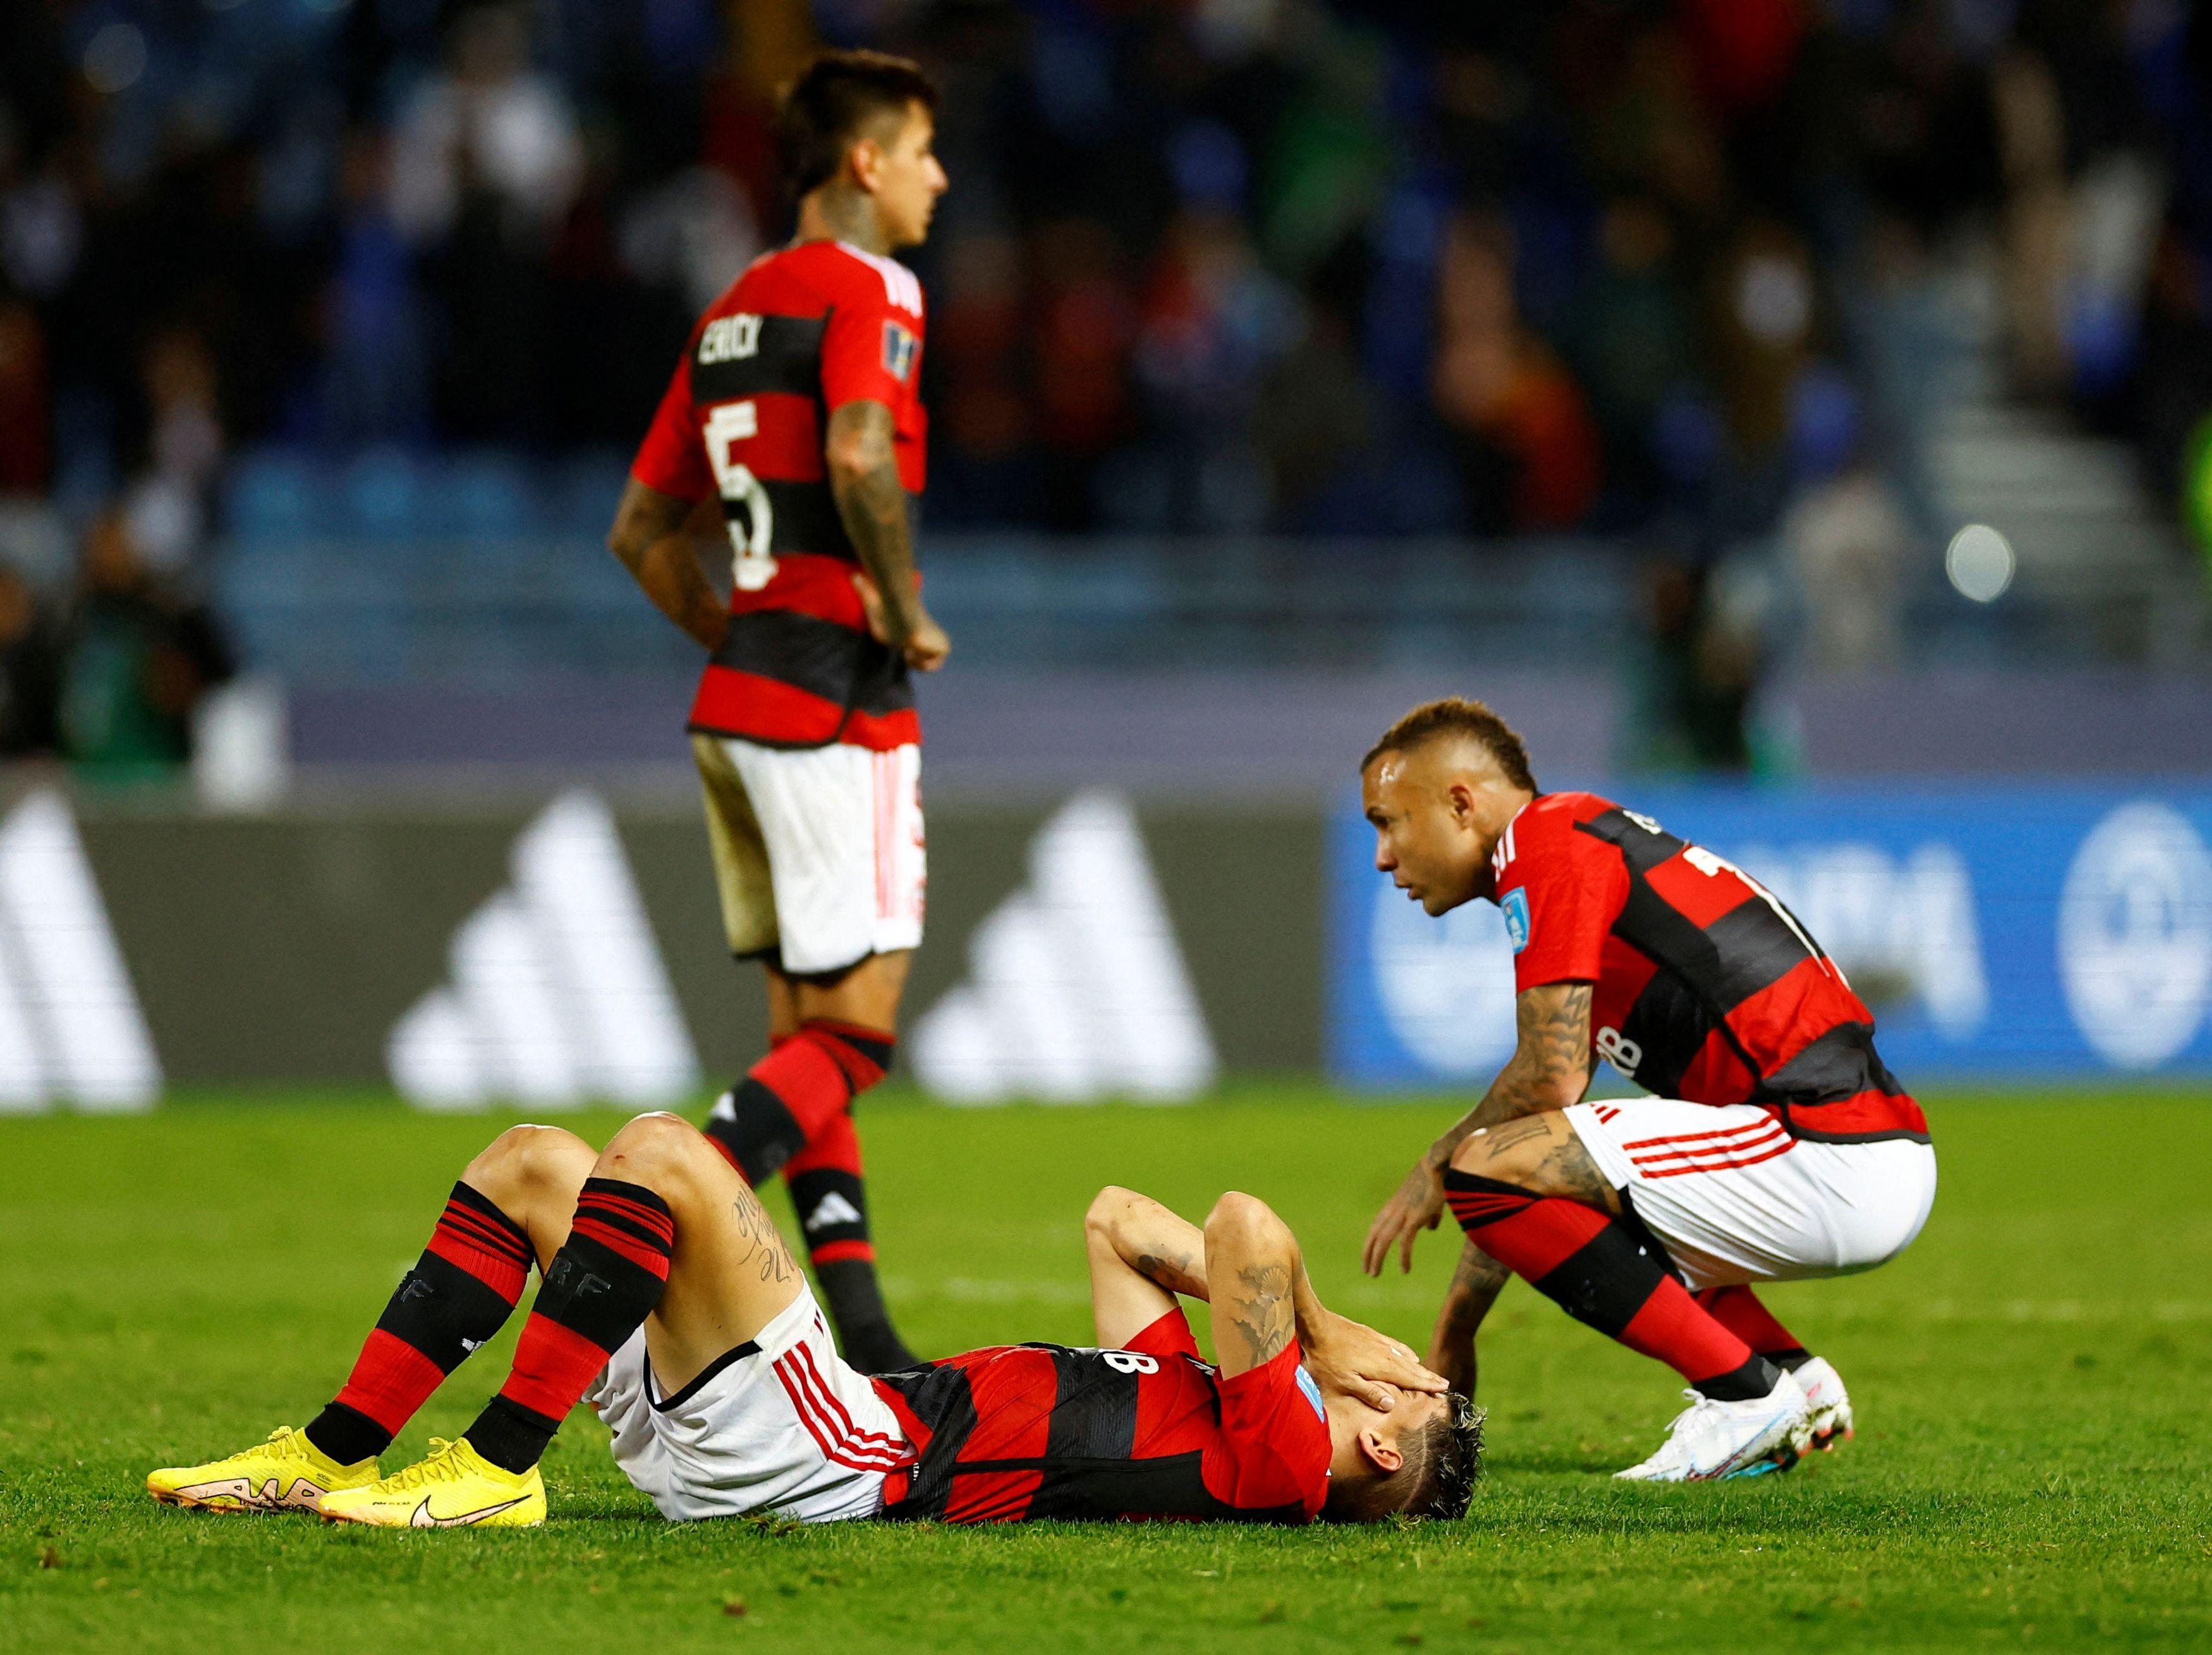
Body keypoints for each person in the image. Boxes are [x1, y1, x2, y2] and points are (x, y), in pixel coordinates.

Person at [145, 1113, 1476, 1528]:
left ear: (1375, 1445)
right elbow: (1119, 1217)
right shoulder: (1209, 1394)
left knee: (664, 1150)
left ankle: (495, 1470)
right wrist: (1305, 1335)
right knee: (537, 1162)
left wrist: (1328, 1330)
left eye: (1412, 1387)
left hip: (841, 1451)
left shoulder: (1285, 1452)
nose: (1402, 1366)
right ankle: (324, 1450)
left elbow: (1244, 1223)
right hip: (783, 1437)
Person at [602, 51, 954, 1372]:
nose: (939, 176)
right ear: (864, 162)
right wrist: (895, 600)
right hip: (836, 705)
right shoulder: (876, 288)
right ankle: (643, 1215)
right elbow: (862, 446)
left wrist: (738, 628)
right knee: (856, 1032)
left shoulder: (732, 312)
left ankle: (865, 1338)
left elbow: (640, 531)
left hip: (739, 698)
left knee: (804, 1031)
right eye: (923, 149)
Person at [1357, 697, 1936, 1482]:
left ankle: (1740, 1395)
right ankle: (1787, 1375)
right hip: (1855, 1150)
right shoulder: (1582, 844)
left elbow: (1546, 1077)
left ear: (1461, 802)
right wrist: (1456, 1330)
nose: (1383, 856)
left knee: (1475, 1163)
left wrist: (1437, 1160)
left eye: (1389, 822)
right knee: (1514, 1168)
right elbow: (1544, 1144)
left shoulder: (1544, 841)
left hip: (1823, 1146)